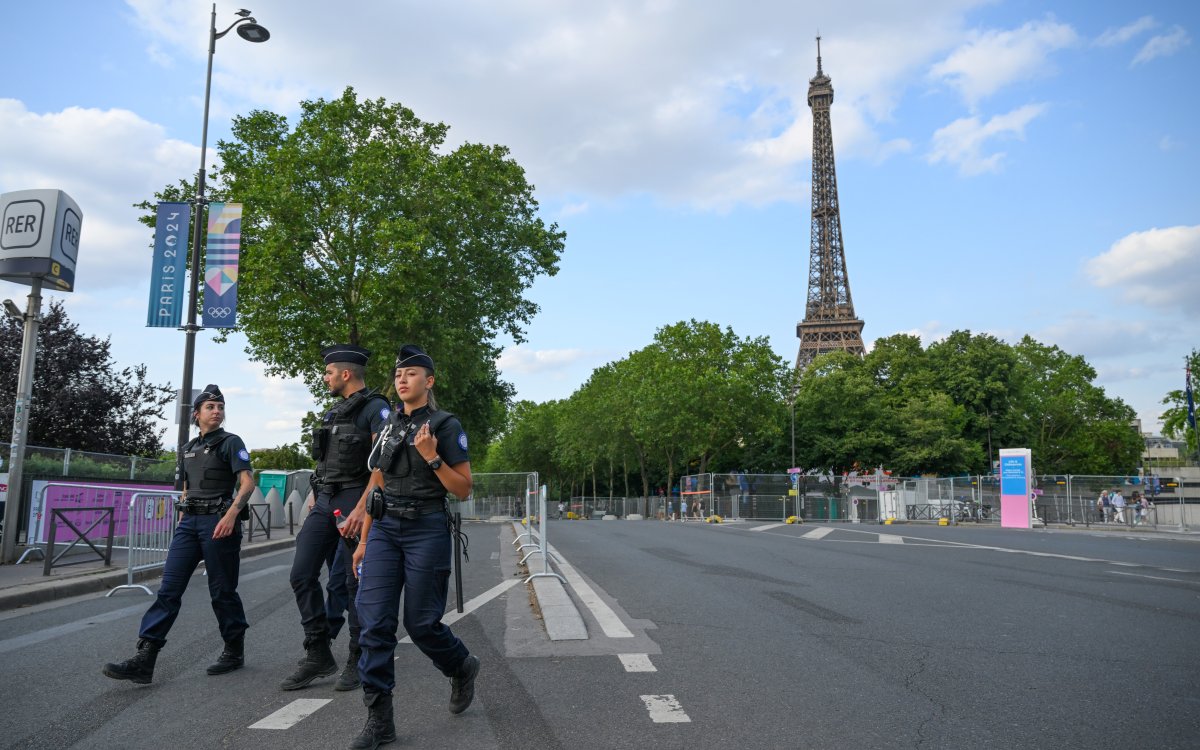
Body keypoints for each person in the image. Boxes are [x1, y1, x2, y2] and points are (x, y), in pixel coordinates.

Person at [340, 345, 477, 750]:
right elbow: (377, 483)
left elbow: (464, 490)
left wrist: (432, 457)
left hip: (426, 528)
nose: (402, 380)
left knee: (420, 624)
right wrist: (363, 540)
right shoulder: (387, 426)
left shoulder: (445, 425)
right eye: (399, 375)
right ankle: (379, 721)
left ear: (428, 381)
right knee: (374, 623)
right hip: (384, 529)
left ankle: (461, 665)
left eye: (412, 374)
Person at [102, 385, 254, 684]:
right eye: (210, 407)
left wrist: (231, 515)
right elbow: (186, 485)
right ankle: (144, 659)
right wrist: (184, 513)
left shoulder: (230, 442)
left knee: (222, 591)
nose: (217, 411)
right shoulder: (187, 448)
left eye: (220, 407)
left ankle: (233, 651)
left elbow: (247, 483)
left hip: (218, 522)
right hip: (190, 525)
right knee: (169, 590)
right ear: (196, 414)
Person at [282, 345, 391, 692]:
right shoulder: (333, 413)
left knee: (353, 583)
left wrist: (362, 507)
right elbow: (325, 462)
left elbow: (383, 464)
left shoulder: (376, 409)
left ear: (345, 374)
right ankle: (317, 652)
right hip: (326, 499)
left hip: (354, 499)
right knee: (301, 574)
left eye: (329, 373)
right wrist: (316, 495)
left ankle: (358, 658)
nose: (325, 378)